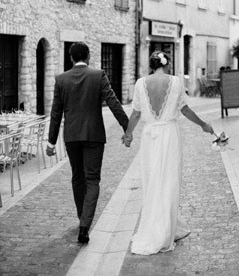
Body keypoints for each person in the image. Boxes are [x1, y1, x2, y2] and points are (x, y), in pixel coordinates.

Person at [122, 51, 217, 255]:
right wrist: (203, 125)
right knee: (169, 181)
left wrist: (128, 134)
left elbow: (136, 113)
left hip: (150, 136)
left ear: (152, 64)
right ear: (167, 64)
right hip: (169, 135)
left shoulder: (140, 84)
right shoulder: (175, 82)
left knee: (152, 181)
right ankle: (165, 230)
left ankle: (160, 226)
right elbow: (185, 110)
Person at [46, 42, 129, 244]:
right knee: (92, 179)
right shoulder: (98, 75)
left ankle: (82, 217)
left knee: (77, 178)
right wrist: (127, 127)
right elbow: (113, 102)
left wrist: (51, 142)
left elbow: (56, 112)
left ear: (71, 58)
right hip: (93, 135)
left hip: (72, 136)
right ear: (89, 56)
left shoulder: (61, 79)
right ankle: (85, 225)